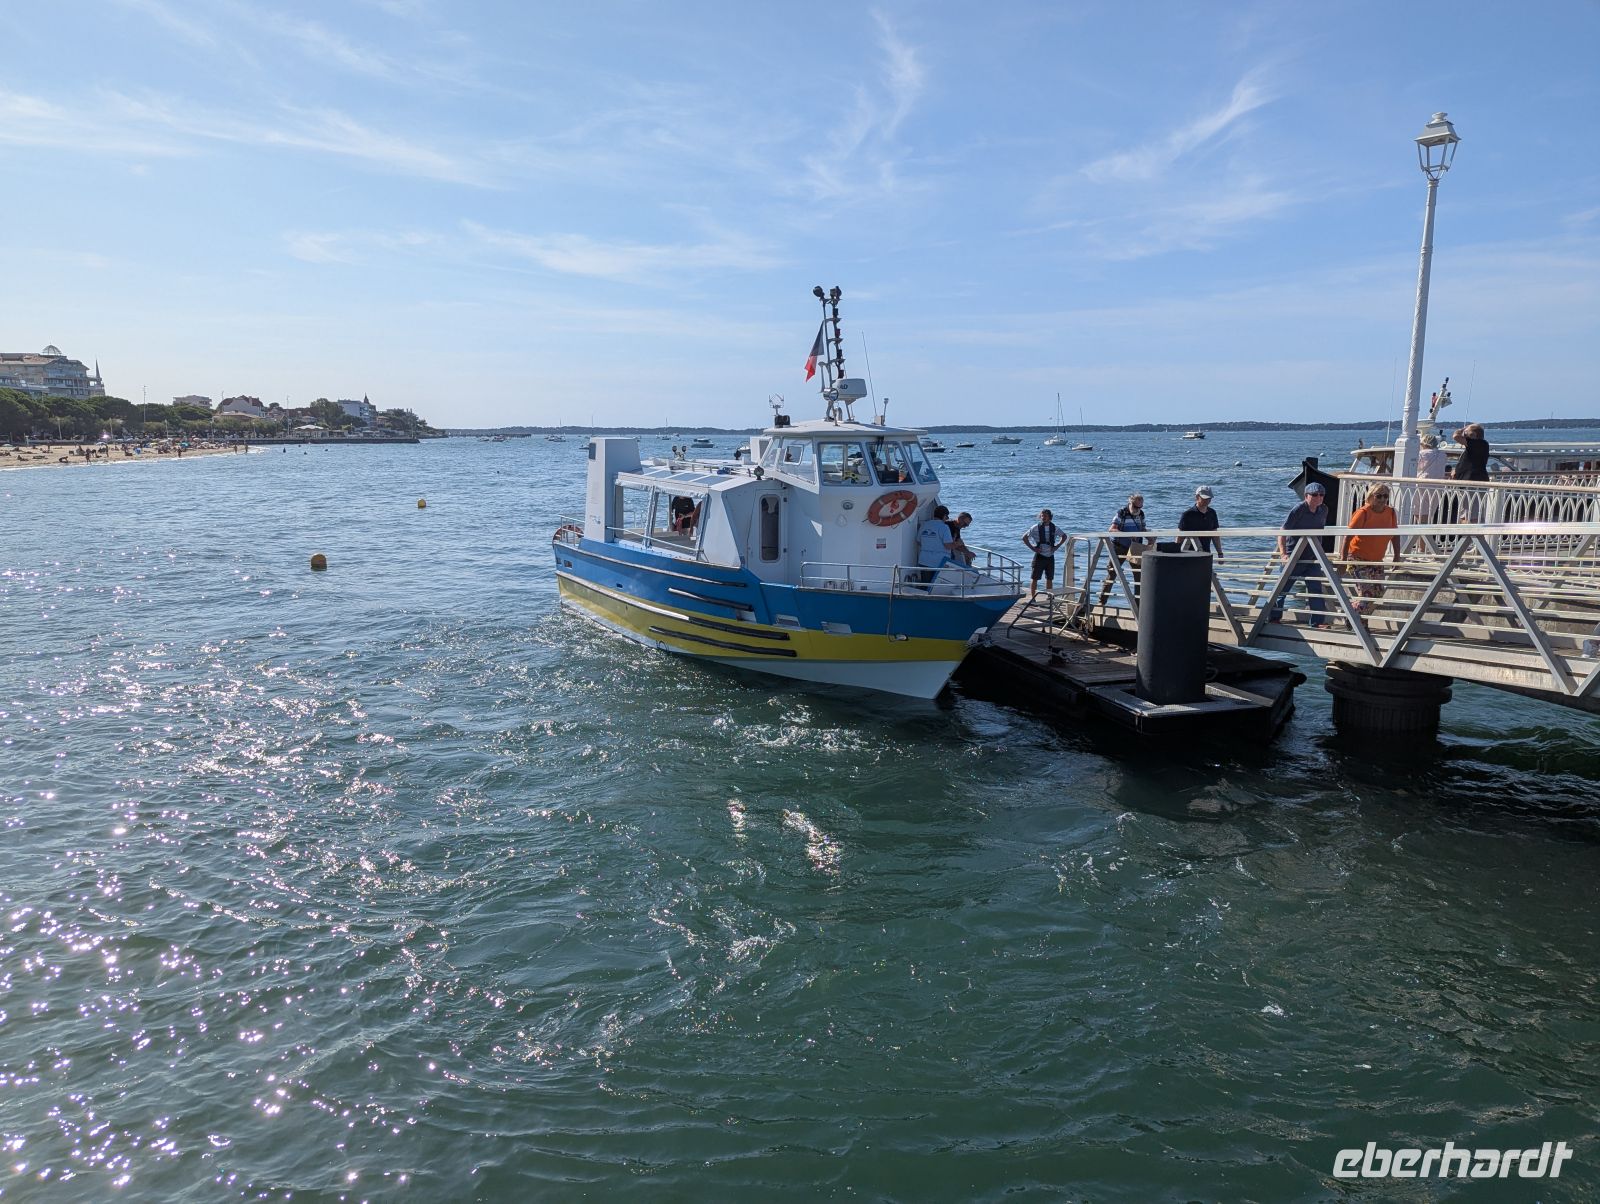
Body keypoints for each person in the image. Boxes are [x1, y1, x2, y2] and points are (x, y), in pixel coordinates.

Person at [1269, 482, 1331, 625]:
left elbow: (1319, 532)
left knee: (1315, 588)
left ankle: (1317, 621)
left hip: (1311, 555)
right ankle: (1274, 618)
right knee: (1282, 589)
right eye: (1314, 495)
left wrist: (1321, 553)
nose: (1318, 498)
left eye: (1321, 495)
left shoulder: (1324, 510)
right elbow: (1282, 532)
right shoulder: (1298, 509)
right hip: (1294, 555)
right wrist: (1283, 554)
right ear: (1306, 496)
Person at [1340, 485, 1401, 615]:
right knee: (1366, 594)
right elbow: (1347, 537)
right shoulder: (1363, 513)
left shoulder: (1390, 512)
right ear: (1371, 496)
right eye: (1378, 496)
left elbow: (1395, 535)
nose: (1382, 499)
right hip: (1358, 559)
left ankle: (1353, 616)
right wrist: (1343, 560)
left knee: (1377, 594)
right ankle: (1354, 619)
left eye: (1385, 496)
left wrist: (1397, 556)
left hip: (1377, 561)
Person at [1100, 493, 1153, 604]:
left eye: (1140, 507)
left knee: (1139, 576)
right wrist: (1126, 534)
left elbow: (1142, 529)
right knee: (1112, 573)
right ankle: (1102, 601)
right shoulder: (1122, 513)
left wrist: (1150, 538)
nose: (1137, 509)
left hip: (1135, 548)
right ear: (1130, 502)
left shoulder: (1141, 514)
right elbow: (1112, 529)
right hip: (1120, 547)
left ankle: (1138, 605)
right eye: (1135, 506)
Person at [1021, 508, 1066, 599]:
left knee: (1049, 578)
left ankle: (1049, 597)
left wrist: (1057, 546)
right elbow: (1024, 538)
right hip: (1039, 556)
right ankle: (1033, 598)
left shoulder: (1055, 528)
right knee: (1035, 578)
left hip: (1050, 556)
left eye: (1045, 516)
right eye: (1042, 516)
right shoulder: (1035, 527)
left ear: (1050, 517)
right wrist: (1033, 548)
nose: (1043, 517)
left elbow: (1064, 536)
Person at [1178, 487, 1223, 560]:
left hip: (1206, 554)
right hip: (1189, 555)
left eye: (1209, 498)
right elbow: (1179, 537)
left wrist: (1220, 553)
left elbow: (1215, 536)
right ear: (1197, 497)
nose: (1207, 500)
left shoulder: (1212, 513)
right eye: (1205, 498)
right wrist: (1176, 555)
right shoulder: (1187, 514)